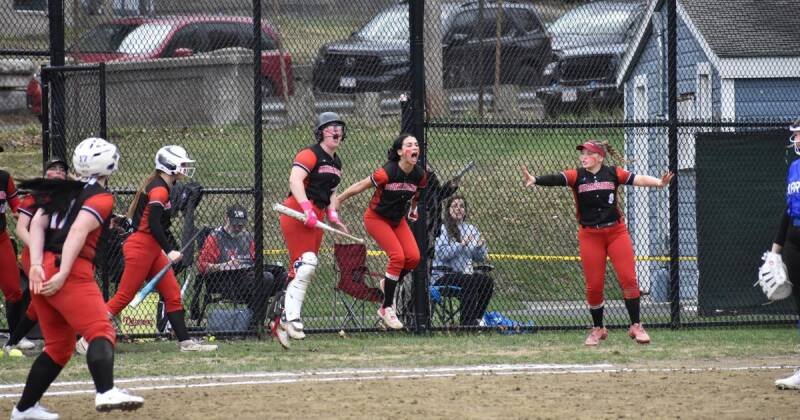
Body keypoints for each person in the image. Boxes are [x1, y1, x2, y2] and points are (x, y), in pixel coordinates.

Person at [13, 137, 143, 418]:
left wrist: (36, 264)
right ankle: (105, 390)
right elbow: (77, 232)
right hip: (69, 269)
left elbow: (37, 223)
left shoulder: (65, 188)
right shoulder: (101, 196)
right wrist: (62, 273)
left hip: (43, 265)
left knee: (59, 348)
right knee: (101, 330)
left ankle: (24, 409)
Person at [521, 139, 673, 346]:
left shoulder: (613, 173)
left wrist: (659, 183)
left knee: (628, 279)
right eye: (581, 154)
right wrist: (535, 179)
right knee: (594, 286)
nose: (583, 157)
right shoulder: (577, 176)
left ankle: (636, 326)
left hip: (616, 232)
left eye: (587, 153)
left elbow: (638, 179)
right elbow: (557, 178)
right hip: (590, 235)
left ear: (599, 157)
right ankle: (598, 329)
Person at [101, 145, 216, 352]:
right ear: (169, 165)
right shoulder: (160, 189)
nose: (184, 167)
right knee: (124, 296)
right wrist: (169, 250)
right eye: (181, 163)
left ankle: (186, 343)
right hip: (141, 247)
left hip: (151, 248)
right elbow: (153, 224)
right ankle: (89, 335)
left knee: (172, 294)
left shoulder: (163, 185)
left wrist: (161, 250)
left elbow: (154, 224)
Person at [332, 133, 427, 330]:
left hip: (397, 219)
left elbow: (417, 193)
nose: (414, 148)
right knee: (397, 257)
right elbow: (360, 185)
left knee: (413, 257)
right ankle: (386, 308)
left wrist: (413, 209)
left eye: (416, 144)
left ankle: (387, 281)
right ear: (400, 152)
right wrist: (339, 199)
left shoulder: (419, 174)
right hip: (376, 218)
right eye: (409, 145)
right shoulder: (387, 172)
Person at [273, 111, 348, 348]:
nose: (335, 131)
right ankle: (290, 319)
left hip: (316, 216)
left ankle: (279, 321)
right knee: (306, 263)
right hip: (298, 211)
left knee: (302, 269)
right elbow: (295, 181)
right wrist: (306, 209)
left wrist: (333, 216)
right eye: (330, 127)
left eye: (338, 127)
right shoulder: (309, 153)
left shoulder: (336, 162)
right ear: (320, 132)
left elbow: (332, 192)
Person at [4, 157, 69, 354]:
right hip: (34, 254)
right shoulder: (35, 197)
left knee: (42, 300)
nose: (57, 173)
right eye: (53, 169)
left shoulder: (70, 198)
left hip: (58, 254)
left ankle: (12, 342)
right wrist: (38, 245)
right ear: (44, 173)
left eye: (61, 170)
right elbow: (21, 229)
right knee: (42, 296)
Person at [197, 204, 287, 331]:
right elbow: (202, 266)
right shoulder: (215, 237)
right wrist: (224, 265)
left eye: (241, 224)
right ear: (226, 219)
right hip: (225, 281)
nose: (238, 228)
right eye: (235, 224)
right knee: (265, 278)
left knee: (282, 276)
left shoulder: (247, 237)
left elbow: (255, 260)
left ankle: (275, 321)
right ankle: (255, 324)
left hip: (247, 276)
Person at [769, 119, 800, 390]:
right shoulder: (794, 168)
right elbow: (787, 213)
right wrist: (774, 252)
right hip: (794, 242)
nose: (797, 138)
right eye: (796, 134)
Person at [432, 195, 495, 326]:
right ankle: (467, 323)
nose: (459, 209)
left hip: (464, 274)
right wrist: (461, 244)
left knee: (487, 282)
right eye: (454, 206)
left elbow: (480, 257)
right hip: (442, 275)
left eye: (461, 206)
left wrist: (479, 247)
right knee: (470, 281)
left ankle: (476, 319)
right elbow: (442, 254)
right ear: (448, 210)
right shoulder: (442, 228)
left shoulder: (472, 229)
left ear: (465, 210)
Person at [1, 165, 24, 355]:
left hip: (1, 239)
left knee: (14, 290)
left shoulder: (4, 177)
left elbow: (16, 206)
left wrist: (26, 218)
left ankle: (16, 336)